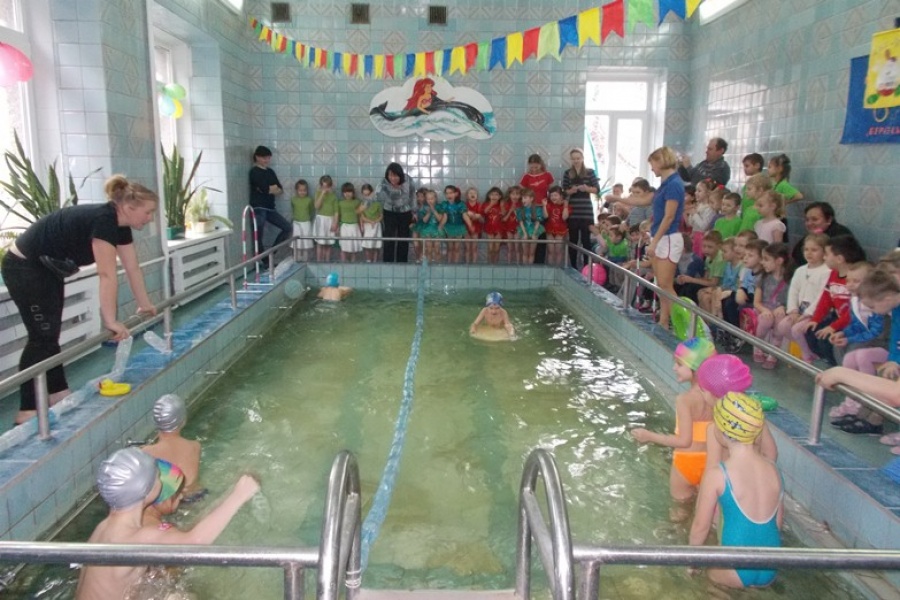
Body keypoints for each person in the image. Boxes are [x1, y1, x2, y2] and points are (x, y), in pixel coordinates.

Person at [1, 174, 158, 425]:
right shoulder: (104, 221)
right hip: (25, 266)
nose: (150, 218)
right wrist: (110, 321)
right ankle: (27, 409)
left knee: (48, 334)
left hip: (46, 269)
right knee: (41, 337)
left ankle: (58, 393)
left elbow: (132, 268)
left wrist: (144, 303)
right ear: (129, 207)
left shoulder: (120, 225)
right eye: (148, 212)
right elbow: (107, 274)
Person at [75, 447, 260, 600]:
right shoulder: (137, 537)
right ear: (146, 489)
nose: (161, 480)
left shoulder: (104, 528)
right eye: (157, 477)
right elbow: (195, 543)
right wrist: (239, 495)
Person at [690, 393, 783, 589]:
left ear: (721, 430)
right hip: (771, 566)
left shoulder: (718, 474)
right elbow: (778, 524)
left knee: (708, 580)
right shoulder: (773, 469)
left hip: (734, 570)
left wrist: (691, 563)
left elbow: (700, 527)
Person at [630, 338, 718, 503]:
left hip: (687, 463)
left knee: (679, 510)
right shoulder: (718, 396)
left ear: (696, 368)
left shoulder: (685, 400)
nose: (674, 368)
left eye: (679, 364)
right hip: (711, 462)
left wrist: (649, 436)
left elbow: (684, 441)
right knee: (705, 510)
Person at [618, 147, 686, 330]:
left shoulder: (674, 184)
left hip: (669, 238)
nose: (652, 168)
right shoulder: (665, 183)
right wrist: (618, 199)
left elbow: (669, 217)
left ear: (661, 161)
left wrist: (654, 242)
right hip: (661, 237)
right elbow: (643, 201)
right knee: (661, 284)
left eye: (653, 164)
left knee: (666, 285)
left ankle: (684, 323)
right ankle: (664, 321)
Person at [804, 235, 867, 366]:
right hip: (838, 318)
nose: (824, 257)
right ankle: (827, 360)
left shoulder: (854, 280)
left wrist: (833, 327)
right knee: (811, 331)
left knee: (826, 340)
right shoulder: (833, 273)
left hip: (851, 322)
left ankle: (835, 365)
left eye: (827, 254)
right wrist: (816, 319)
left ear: (839, 259)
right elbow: (825, 299)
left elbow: (854, 312)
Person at [775, 234, 830, 364]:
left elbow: (822, 296)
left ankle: (807, 355)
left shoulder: (827, 271)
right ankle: (807, 350)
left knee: (797, 329)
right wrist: (793, 310)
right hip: (800, 310)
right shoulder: (800, 270)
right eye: (806, 249)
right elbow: (793, 291)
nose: (809, 253)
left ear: (824, 252)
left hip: (816, 312)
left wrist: (808, 314)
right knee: (782, 326)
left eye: (814, 250)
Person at [142, 394, 203, 499]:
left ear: (155, 421)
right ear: (183, 421)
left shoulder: (147, 453)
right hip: (196, 497)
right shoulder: (195, 446)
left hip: (167, 502)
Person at [752, 243, 791, 369]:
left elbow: (793, 301)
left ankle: (774, 352)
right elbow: (756, 302)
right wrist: (764, 310)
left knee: (780, 318)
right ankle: (758, 345)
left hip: (780, 311)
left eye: (766, 259)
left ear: (779, 261)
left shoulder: (790, 280)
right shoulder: (762, 278)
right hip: (763, 310)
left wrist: (784, 308)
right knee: (766, 319)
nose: (762, 262)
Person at [248, 146, 291, 256]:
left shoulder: (270, 171)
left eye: (268, 158)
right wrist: (271, 189)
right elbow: (265, 189)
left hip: (270, 207)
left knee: (287, 227)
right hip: (258, 207)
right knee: (258, 236)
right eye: (264, 158)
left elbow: (280, 189)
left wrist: (270, 189)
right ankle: (262, 260)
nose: (267, 160)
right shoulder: (254, 172)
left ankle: (270, 255)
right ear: (257, 157)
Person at [561, 148, 600, 269]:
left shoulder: (590, 172)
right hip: (573, 211)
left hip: (586, 211)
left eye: (578, 158)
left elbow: (597, 189)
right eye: (573, 159)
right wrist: (571, 191)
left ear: (582, 158)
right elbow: (564, 191)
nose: (576, 161)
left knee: (586, 240)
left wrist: (587, 189)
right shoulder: (568, 173)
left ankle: (586, 268)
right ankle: (573, 267)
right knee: (573, 240)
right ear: (571, 160)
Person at [790, 201, 855, 266]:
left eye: (814, 219)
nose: (809, 223)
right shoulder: (814, 234)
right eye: (807, 220)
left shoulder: (840, 235)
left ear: (829, 220)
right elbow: (796, 254)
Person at [377, 163, 416, 263]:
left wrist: (414, 211)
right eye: (390, 175)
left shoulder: (408, 180)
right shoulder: (384, 182)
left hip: (405, 212)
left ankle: (402, 262)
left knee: (403, 237)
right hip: (389, 212)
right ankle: (388, 261)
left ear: (400, 175)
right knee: (389, 237)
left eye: (395, 176)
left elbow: (412, 196)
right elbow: (378, 195)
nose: (393, 178)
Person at [520, 154, 554, 265]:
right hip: (530, 209)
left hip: (543, 208)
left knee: (540, 235)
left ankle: (539, 263)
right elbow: (522, 193)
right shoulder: (526, 177)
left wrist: (549, 205)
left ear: (540, 164)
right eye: (532, 166)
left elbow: (552, 192)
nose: (534, 169)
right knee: (529, 235)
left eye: (536, 166)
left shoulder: (547, 175)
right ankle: (528, 264)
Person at [313, 175, 339, 262]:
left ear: (331, 186)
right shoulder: (318, 193)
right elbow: (316, 206)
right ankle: (319, 262)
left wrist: (335, 223)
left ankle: (327, 262)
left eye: (327, 187)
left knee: (328, 243)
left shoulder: (334, 197)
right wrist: (322, 194)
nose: (326, 189)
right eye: (323, 187)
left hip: (330, 220)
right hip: (320, 220)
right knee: (320, 243)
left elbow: (336, 212)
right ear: (321, 186)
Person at [517, 188, 545, 265]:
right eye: (522, 198)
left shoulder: (537, 209)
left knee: (532, 253)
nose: (523, 200)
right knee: (525, 253)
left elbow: (537, 222)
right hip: (524, 229)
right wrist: (524, 233)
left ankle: (530, 269)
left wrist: (534, 233)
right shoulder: (520, 210)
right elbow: (521, 223)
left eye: (525, 198)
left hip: (534, 229)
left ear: (531, 198)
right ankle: (525, 268)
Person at [336, 182, 362, 263]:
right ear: (343, 193)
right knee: (343, 248)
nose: (347, 194)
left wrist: (361, 226)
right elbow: (338, 215)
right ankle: (343, 264)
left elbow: (360, 216)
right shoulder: (340, 203)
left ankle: (353, 265)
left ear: (353, 192)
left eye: (349, 191)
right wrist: (337, 227)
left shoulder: (357, 202)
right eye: (345, 192)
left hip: (355, 227)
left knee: (354, 248)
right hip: (344, 227)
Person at [441, 185, 467, 264]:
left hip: (459, 227)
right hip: (449, 227)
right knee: (450, 247)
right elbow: (444, 217)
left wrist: (470, 225)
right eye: (447, 193)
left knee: (457, 247)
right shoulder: (445, 204)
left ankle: (455, 265)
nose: (449, 195)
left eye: (451, 193)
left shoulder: (461, 204)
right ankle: (449, 264)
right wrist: (440, 227)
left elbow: (465, 216)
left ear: (456, 194)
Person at [290, 179, 314, 262]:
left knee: (306, 241)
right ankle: (297, 259)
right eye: (300, 190)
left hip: (306, 223)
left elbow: (311, 211)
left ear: (307, 191)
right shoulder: (293, 200)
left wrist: (308, 219)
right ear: (296, 190)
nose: (302, 192)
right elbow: (293, 210)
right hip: (296, 223)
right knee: (297, 241)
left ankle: (306, 259)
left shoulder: (309, 200)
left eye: (304, 190)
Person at [358, 183, 383, 263]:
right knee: (367, 245)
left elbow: (381, 216)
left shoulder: (377, 203)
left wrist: (375, 221)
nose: (367, 197)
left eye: (368, 195)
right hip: (367, 225)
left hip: (376, 225)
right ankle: (368, 261)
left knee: (376, 245)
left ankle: (375, 261)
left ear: (372, 193)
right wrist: (363, 225)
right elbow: (361, 216)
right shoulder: (362, 203)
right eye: (365, 195)